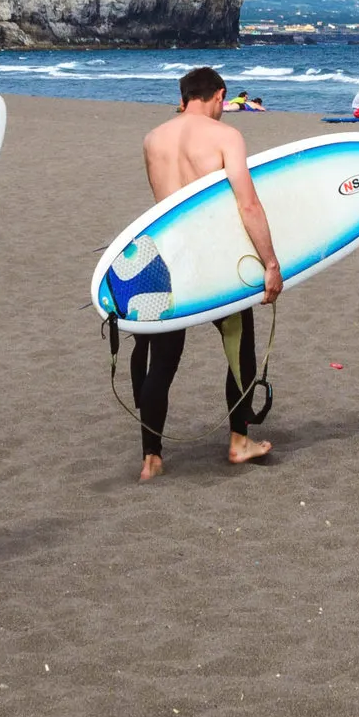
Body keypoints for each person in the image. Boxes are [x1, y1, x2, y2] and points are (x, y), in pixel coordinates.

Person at [131, 66, 280, 482]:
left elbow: (162, 209)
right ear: (219, 95)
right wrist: (270, 263)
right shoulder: (225, 137)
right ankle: (238, 441)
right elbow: (247, 205)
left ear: (183, 97)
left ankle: (151, 458)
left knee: (161, 363)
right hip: (215, 264)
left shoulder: (153, 139)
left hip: (168, 262)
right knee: (240, 351)